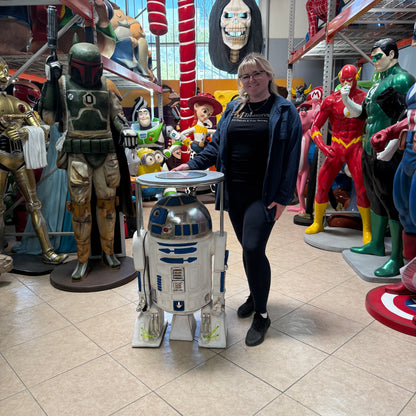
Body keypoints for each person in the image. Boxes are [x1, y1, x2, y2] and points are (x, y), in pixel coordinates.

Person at [173, 52, 302, 346]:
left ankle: (262, 314)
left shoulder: (284, 110)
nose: (251, 80)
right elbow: (216, 146)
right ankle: (255, 293)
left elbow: (292, 155)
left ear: (269, 75)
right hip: (235, 191)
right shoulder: (234, 108)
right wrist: (190, 166)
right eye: (245, 76)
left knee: (254, 248)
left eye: (256, 74)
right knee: (248, 249)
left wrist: (284, 196)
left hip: (264, 193)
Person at [39, 40, 136, 280]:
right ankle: (82, 259)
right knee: (80, 209)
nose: (91, 73)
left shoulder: (108, 85)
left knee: (107, 206)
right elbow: (48, 117)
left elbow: (117, 115)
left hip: (106, 152)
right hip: (78, 153)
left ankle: (108, 252)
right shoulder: (61, 85)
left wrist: (126, 130)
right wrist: (50, 82)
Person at [342, 38, 416, 277]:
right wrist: (345, 99)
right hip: (369, 148)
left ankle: (396, 257)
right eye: (372, 57)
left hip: (390, 151)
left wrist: (392, 148)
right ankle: (375, 245)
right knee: (374, 196)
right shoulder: (377, 83)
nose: (374, 61)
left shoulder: (402, 80)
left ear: (392, 54)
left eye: (378, 56)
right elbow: (363, 114)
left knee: (393, 202)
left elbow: (407, 119)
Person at [0, 57, 67, 265]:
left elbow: (43, 129)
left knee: (34, 204)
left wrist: (24, 132)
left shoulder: (18, 105)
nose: (3, 75)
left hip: (20, 159)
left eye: (4, 70)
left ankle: (47, 250)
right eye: (0, 70)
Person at [305, 65, 371, 244]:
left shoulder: (365, 98)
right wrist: (322, 146)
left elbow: (367, 119)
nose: (346, 83)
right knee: (322, 183)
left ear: (356, 78)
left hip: (355, 145)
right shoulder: (330, 100)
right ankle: (318, 222)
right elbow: (315, 127)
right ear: (339, 78)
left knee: (362, 188)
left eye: (350, 79)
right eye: (343, 79)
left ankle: (367, 229)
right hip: (337, 146)